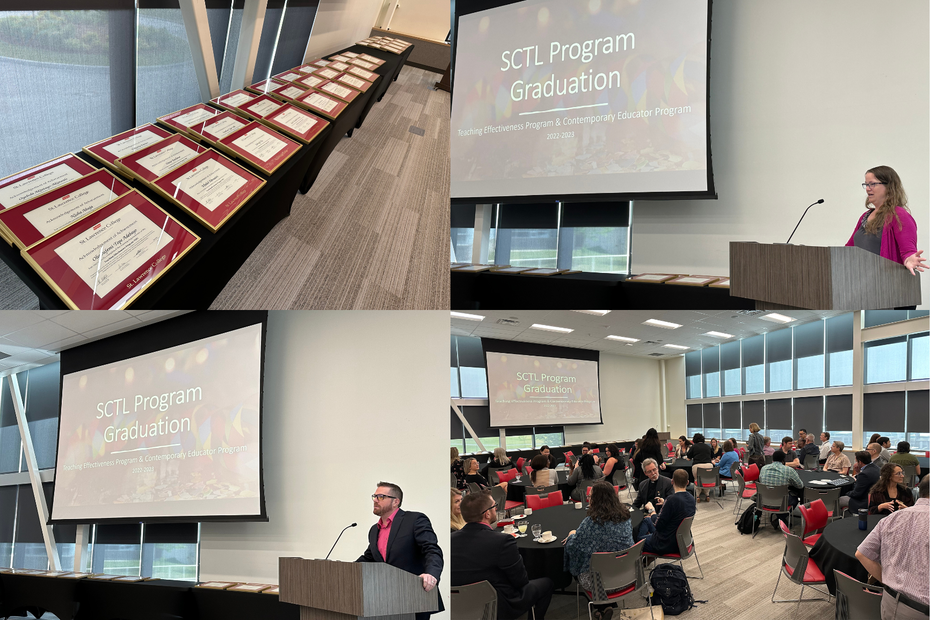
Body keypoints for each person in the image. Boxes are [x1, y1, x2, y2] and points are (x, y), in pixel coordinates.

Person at [452, 491, 554, 620]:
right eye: (494, 506)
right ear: (487, 514)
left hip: (458, 605)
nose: (496, 509)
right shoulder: (502, 541)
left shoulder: (449, 540)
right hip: (498, 603)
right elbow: (521, 581)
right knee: (547, 583)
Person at [359, 482, 443, 619]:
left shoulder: (414, 520)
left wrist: (431, 574)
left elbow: (431, 550)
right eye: (374, 496)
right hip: (385, 600)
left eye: (380, 497)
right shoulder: (374, 530)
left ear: (395, 502)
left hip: (414, 597)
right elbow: (369, 558)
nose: (375, 500)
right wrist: (343, 570)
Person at [855, 475, 930, 620]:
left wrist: (888, 580)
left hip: (890, 602)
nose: (901, 475)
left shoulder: (891, 519)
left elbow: (861, 554)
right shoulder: (882, 496)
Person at [563, 481, 635, 620]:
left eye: (590, 496)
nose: (588, 499)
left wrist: (572, 535)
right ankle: (606, 606)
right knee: (602, 560)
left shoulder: (592, 522)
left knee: (582, 564)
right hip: (626, 575)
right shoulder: (625, 516)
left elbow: (574, 548)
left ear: (596, 500)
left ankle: (601, 605)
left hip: (602, 583)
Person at [845, 165, 927, 275]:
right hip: (859, 280)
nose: (868, 188)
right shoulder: (865, 216)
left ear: (889, 186)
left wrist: (910, 259)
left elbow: (908, 251)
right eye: (866, 184)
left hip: (884, 282)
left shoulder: (898, 215)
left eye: (872, 184)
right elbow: (848, 250)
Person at [642, 469, 695, 556]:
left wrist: (652, 510)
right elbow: (679, 511)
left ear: (672, 481)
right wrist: (665, 503)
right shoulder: (691, 498)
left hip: (666, 544)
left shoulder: (671, 500)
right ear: (687, 482)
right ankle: (648, 558)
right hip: (683, 540)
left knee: (639, 539)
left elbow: (657, 525)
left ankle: (641, 562)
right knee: (647, 521)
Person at [632, 458, 675, 541]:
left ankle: (641, 545)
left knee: (639, 535)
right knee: (632, 525)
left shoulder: (668, 483)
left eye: (654, 470)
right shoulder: (642, 485)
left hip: (661, 516)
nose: (653, 473)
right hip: (646, 514)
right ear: (645, 473)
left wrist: (652, 514)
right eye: (649, 472)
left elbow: (671, 504)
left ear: (658, 468)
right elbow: (637, 503)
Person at [687, 433, 714, 501]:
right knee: (706, 479)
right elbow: (712, 456)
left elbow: (688, 456)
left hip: (697, 466)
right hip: (709, 465)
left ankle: (698, 496)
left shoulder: (694, 446)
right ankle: (707, 495)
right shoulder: (708, 447)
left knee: (697, 480)